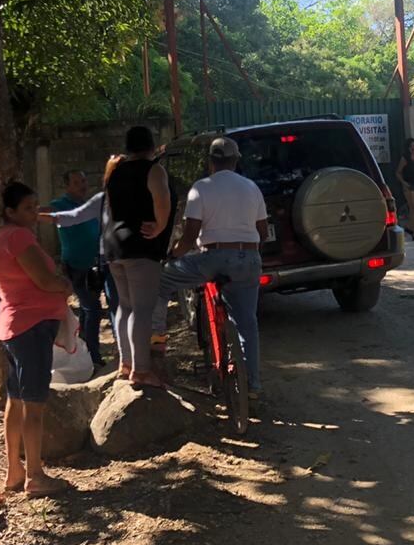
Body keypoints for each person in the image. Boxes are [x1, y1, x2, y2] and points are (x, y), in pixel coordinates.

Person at [157, 136, 268, 395]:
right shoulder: (252, 187)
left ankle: (156, 340)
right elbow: (262, 231)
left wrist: (173, 255)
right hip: (249, 259)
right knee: (247, 323)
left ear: (210, 162)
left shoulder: (200, 188)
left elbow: (189, 235)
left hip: (213, 258)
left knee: (161, 281)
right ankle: (252, 385)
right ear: (236, 161)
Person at [0, 181, 74, 496]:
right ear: (10, 212)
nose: (34, 212)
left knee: (16, 399)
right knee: (34, 405)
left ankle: (15, 470)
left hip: (14, 327)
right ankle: (35, 475)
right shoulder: (19, 237)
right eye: (27, 208)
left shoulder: (2, 237)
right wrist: (65, 284)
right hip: (31, 327)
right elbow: (44, 280)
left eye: (35, 206)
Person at [102, 126, 174, 388]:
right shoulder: (153, 169)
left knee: (125, 306)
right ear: (151, 145)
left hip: (114, 245)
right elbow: (162, 201)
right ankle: (142, 371)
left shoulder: (114, 170)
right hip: (140, 246)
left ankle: (126, 363)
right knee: (142, 309)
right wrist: (160, 227)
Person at [47, 170, 108, 366]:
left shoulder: (90, 204)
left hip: (95, 265)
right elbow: (43, 212)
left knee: (88, 308)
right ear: (67, 186)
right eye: (76, 182)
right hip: (75, 265)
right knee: (93, 308)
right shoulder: (60, 205)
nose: (82, 185)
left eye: (83, 180)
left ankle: (82, 351)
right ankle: (93, 356)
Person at [396, 137, 414, 240]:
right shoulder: (405, 158)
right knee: (412, 208)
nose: (413, 148)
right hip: (408, 184)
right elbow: (398, 172)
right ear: (408, 148)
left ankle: (409, 226)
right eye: (411, 146)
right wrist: (404, 183)